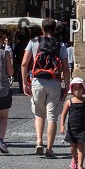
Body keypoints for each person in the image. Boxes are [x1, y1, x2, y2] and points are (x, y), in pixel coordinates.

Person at [22, 17, 70, 158]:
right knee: (52, 117)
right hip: (54, 83)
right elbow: (66, 69)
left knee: (39, 114)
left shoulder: (33, 42)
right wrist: (66, 88)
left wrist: (25, 82)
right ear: (55, 30)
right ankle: (49, 149)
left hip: (37, 82)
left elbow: (24, 63)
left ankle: (39, 142)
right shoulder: (61, 46)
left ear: (42, 29)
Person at [60, 75, 85, 169]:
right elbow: (63, 114)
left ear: (83, 89)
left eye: (79, 88)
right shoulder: (69, 102)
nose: (77, 90)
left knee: (81, 147)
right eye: (75, 88)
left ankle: (80, 166)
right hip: (72, 129)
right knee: (73, 147)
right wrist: (62, 126)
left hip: (83, 129)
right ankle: (74, 158)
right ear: (72, 90)